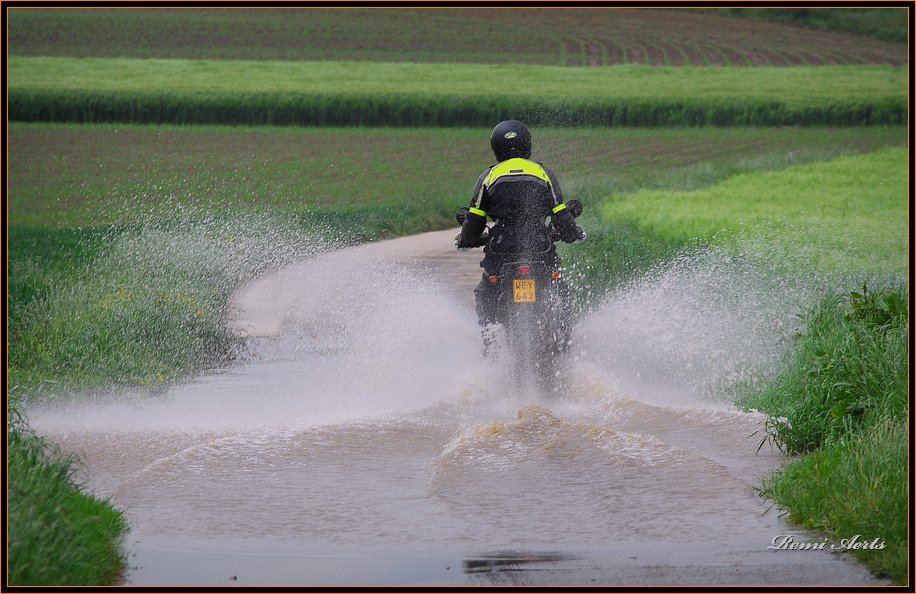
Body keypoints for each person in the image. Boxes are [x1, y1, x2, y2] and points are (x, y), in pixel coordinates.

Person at [456, 119, 585, 349]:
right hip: (540, 250)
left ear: (496, 147)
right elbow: (560, 214)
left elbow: (474, 219)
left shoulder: (489, 176)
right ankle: (564, 345)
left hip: (501, 253)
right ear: (527, 144)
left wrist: (466, 239)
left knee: (485, 293)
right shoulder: (543, 173)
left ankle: (491, 347)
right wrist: (572, 233)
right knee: (560, 289)